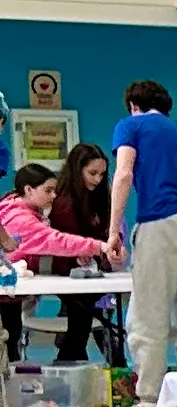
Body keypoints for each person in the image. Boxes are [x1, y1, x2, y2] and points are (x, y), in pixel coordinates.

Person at [107, 77, 177, 407]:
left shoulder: (131, 125)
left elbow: (123, 175)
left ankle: (149, 406)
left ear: (133, 105)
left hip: (160, 222)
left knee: (148, 317)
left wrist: (114, 232)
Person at [1, 161, 110, 374]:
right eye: (48, 190)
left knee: (11, 346)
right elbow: (56, 241)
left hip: (10, 296)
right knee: (8, 347)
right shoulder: (22, 219)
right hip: (5, 296)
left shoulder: (11, 206)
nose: (53, 196)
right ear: (28, 190)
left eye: (55, 190)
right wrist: (99, 246)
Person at [47, 146, 116, 365]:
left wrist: (112, 247)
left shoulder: (99, 196)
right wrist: (79, 254)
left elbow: (105, 233)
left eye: (102, 174)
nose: (98, 179)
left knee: (80, 328)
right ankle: (71, 367)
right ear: (78, 170)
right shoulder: (64, 203)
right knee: (80, 325)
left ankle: (70, 367)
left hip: (91, 274)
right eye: (92, 173)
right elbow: (62, 241)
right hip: (67, 273)